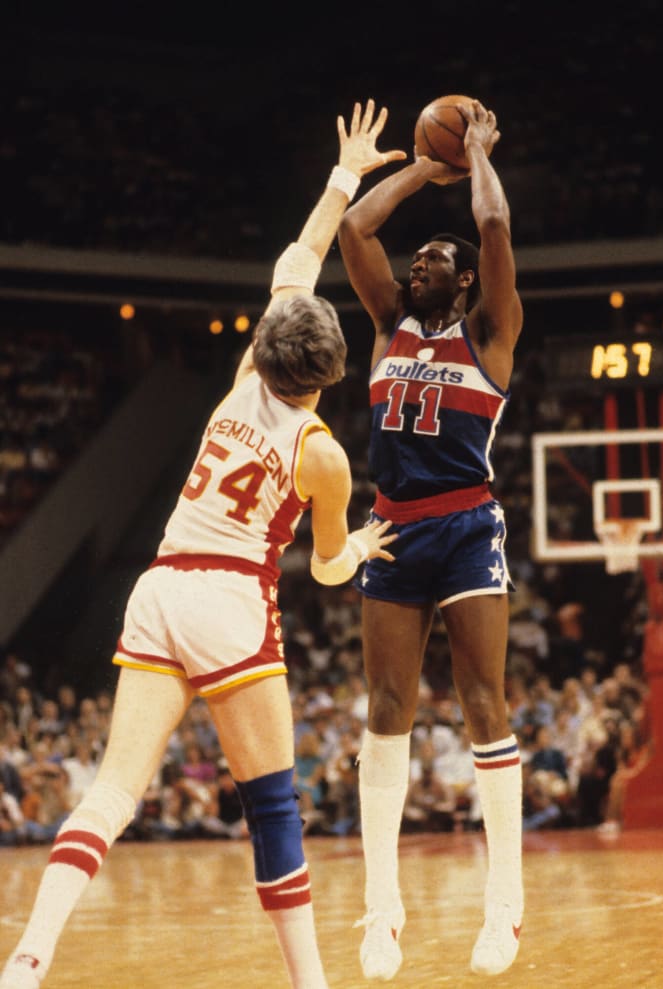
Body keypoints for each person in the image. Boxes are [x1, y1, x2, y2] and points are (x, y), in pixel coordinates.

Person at [0, 99, 405, 989]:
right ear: (329, 375)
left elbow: (297, 262)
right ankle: (311, 984)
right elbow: (330, 566)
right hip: (228, 601)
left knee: (112, 791)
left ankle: (27, 957)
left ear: (260, 355)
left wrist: (344, 174)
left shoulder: (232, 387)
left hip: (159, 584)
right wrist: (365, 545)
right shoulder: (323, 455)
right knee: (272, 805)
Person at [337, 97, 525, 979]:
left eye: (437, 258)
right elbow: (354, 228)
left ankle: (505, 911)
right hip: (391, 527)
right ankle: (383, 915)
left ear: (462, 279)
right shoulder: (386, 327)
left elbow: (492, 227)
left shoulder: (492, 333)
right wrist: (421, 165)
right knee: (385, 712)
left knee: (485, 702)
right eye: (417, 260)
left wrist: (476, 154)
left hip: (465, 522)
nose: (421, 263)